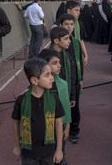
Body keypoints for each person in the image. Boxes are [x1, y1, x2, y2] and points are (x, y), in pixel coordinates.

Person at [12, 58, 64, 165]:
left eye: (51, 74)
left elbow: (59, 123)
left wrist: (59, 150)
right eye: (47, 75)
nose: (52, 78)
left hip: (48, 151)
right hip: (28, 152)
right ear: (34, 81)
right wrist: (17, 146)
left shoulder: (54, 99)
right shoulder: (21, 100)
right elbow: (16, 123)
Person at [38, 49, 72, 165]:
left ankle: (62, 158)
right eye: (55, 63)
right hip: (42, 129)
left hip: (59, 126)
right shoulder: (36, 86)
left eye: (59, 62)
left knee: (60, 149)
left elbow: (66, 108)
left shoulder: (63, 84)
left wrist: (67, 127)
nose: (59, 65)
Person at [59, 13, 83, 144]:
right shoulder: (56, 43)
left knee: (74, 106)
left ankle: (74, 130)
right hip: (60, 82)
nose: (69, 27)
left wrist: (80, 79)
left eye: (71, 24)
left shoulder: (75, 43)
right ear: (61, 25)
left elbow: (79, 62)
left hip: (73, 81)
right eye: (66, 24)